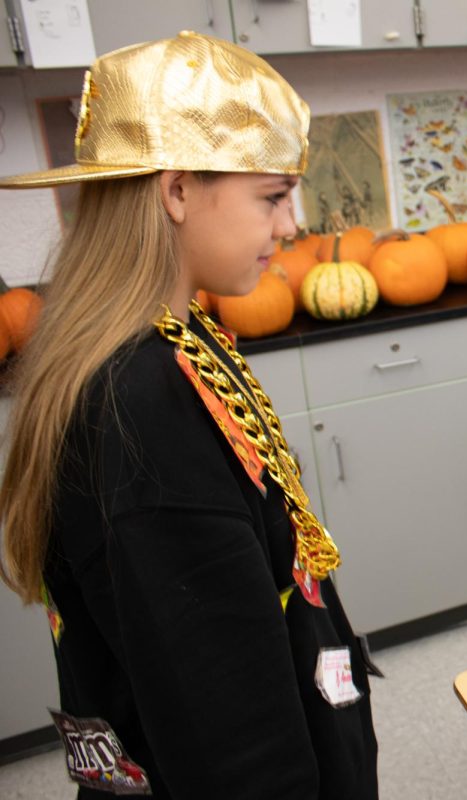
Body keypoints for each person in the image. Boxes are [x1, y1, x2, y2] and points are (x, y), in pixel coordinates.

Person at [0, 33, 378, 798]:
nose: (289, 227)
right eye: (271, 197)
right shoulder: (142, 412)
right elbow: (229, 733)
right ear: (176, 191)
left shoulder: (182, 337)